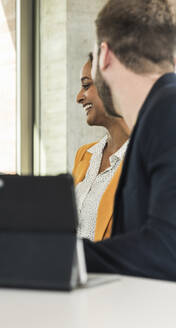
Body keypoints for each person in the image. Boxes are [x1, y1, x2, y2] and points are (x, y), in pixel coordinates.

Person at [83, 0, 176, 281]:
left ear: (104, 55)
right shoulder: (159, 108)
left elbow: (167, 250)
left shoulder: (168, 107)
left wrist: (52, 255)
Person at [72, 53, 130, 241]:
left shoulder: (141, 158)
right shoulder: (85, 154)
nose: (79, 97)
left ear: (112, 85)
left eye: (86, 85)